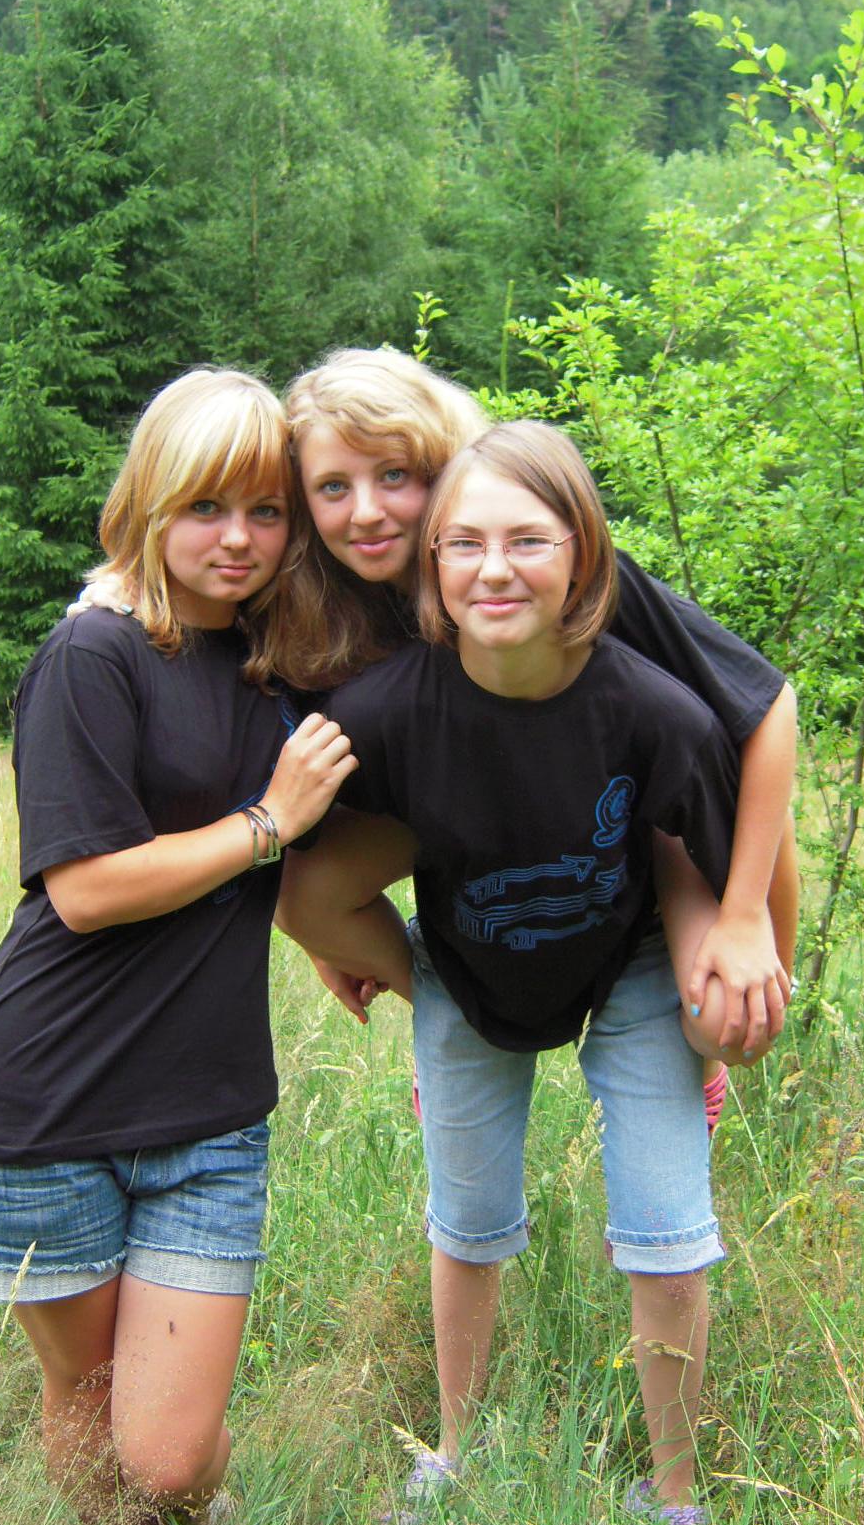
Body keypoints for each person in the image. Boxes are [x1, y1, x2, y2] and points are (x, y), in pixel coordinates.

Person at [276, 422, 762, 1525]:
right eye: (464, 544)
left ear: (583, 555)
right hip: (463, 963)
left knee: (668, 1229)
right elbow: (304, 885)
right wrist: (402, 972)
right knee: (467, 1220)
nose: (494, 569)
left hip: (631, 959)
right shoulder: (383, 709)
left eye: (528, 541)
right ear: (432, 566)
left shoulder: (659, 712)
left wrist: (726, 1009)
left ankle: (675, 1495)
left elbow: (727, 857)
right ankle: (455, 1452)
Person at [0, 369, 357, 1525]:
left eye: (266, 510)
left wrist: (326, 928)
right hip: (48, 1105)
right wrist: (266, 825)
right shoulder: (93, 654)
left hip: (207, 1110)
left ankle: (191, 1517)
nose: (238, 538)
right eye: (205, 506)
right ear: (149, 503)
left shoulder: (274, 663)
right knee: (86, 1395)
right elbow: (84, 888)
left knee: (168, 1452)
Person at [270, 348, 800, 1083]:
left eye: (394, 474)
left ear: (444, 469)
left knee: (732, 1022)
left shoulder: (547, 573)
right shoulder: (320, 606)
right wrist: (329, 937)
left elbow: (763, 709)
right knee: (301, 895)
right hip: (469, 812)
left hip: (633, 811)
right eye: (333, 486)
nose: (365, 510)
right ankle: (452, 1020)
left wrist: (748, 925)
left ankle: (694, 1046)